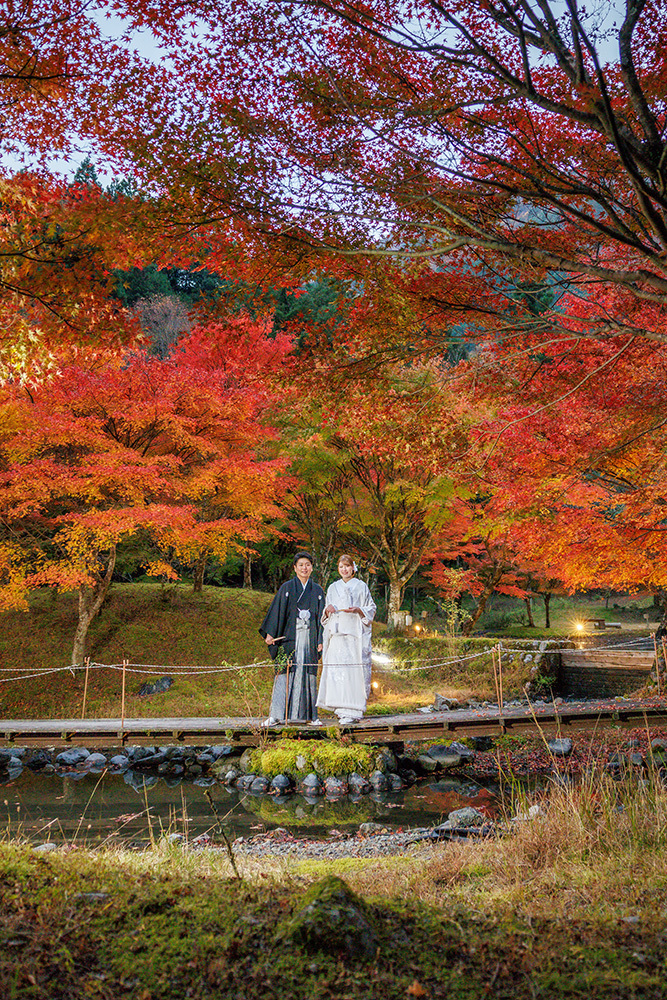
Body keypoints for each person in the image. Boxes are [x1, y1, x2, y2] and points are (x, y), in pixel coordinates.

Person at [259, 551, 325, 726]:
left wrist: (320, 640)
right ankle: (276, 715)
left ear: (312, 568)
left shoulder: (317, 591)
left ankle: (311, 717)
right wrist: (271, 633)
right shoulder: (286, 588)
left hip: (310, 639)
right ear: (295, 568)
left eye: (308, 565)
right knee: (284, 674)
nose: (304, 568)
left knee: (309, 676)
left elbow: (322, 619)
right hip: (289, 638)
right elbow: (277, 611)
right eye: (301, 565)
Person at [317, 554, 376, 725]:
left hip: (353, 636)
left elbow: (371, 608)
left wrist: (359, 610)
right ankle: (340, 708)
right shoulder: (333, 587)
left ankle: (354, 709)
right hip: (337, 635)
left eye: (347, 566)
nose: (344, 570)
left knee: (353, 672)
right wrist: (327, 610)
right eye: (341, 567)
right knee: (337, 672)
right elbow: (326, 614)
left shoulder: (361, 586)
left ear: (353, 568)